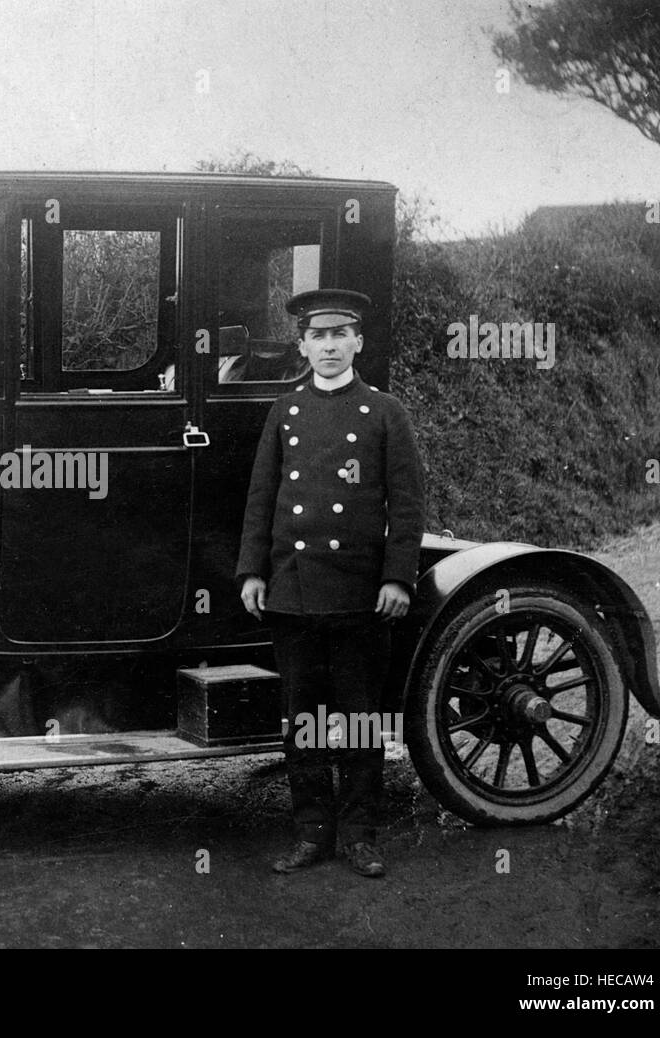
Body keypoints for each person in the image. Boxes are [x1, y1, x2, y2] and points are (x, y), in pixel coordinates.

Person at [235, 288, 425, 877]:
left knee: (360, 721)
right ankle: (311, 836)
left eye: (340, 335)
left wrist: (397, 578)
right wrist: (251, 571)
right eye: (318, 337)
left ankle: (361, 836)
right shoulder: (286, 410)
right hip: (293, 591)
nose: (329, 347)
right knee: (303, 723)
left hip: (359, 593)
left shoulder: (385, 412)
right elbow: (262, 497)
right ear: (302, 345)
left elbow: (408, 504)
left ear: (358, 342)